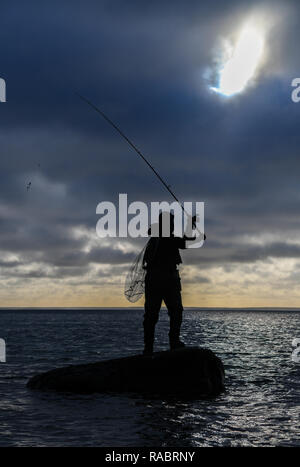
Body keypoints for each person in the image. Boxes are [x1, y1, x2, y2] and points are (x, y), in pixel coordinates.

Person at [142, 212, 205, 355]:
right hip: (168, 280)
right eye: (171, 222)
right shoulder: (166, 237)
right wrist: (193, 228)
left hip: (153, 280)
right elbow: (185, 242)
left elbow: (184, 241)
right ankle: (174, 342)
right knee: (175, 312)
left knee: (151, 315)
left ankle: (148, 347)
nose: (172, 225)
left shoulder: (156, 236)